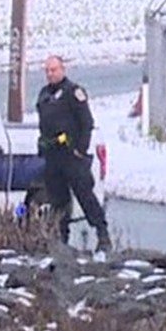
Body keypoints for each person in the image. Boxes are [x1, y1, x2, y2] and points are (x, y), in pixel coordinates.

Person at [35, 55, 111, 253]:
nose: (50, 74)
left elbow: (86, 123)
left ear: (62, 70)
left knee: (85, 196)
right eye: (47, 71)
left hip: (72, 155)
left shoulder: (73, 92)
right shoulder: (44, 95)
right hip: (53, 156)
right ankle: (62, 239)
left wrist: (80, 149)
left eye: (54, 70)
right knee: (58, 200)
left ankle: (102, 235)